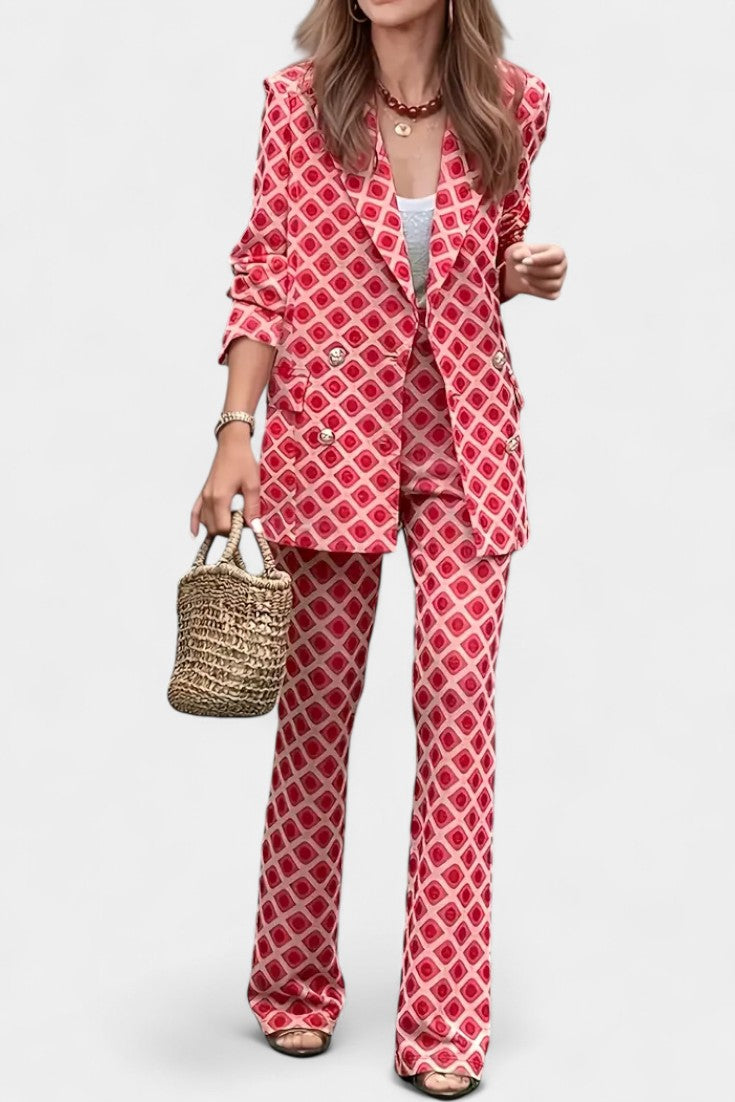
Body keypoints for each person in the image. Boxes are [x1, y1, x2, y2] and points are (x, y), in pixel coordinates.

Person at [190, 1, 567, 1096]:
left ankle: (444, 1021)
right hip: (330, 436)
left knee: (457, 695)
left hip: (464, 436)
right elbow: (265, 271)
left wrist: (522, 271)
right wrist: (234, 432)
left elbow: (479, 261)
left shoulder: (514, 105)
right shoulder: (297, 104)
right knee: (316, 710)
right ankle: (294, 983)